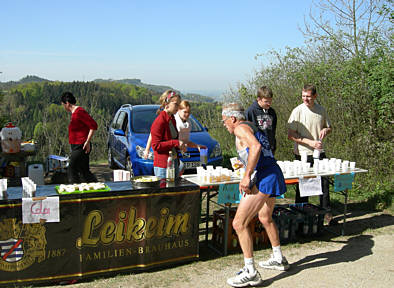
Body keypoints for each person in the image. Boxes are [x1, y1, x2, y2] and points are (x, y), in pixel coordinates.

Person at [222, 103, 288, 288]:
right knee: (265, 217)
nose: (224, 125)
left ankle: (250, 271)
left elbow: (256, 147)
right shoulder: (252, 126)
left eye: (224, 120)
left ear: (233, 118)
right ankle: (278, 258)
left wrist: (246, 175)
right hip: (272, 172)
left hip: (265, 176)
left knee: (238, 223)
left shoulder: (240, 129)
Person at [287, 84, 333, 223]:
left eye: (308, 96)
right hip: (303, 153)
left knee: (324, 183)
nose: (305, 99)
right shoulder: (297, 111)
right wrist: (309, 142)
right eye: (303, 96)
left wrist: (326, 130)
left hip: (319, 151)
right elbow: (290, 135)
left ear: (315, 96)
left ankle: (326, 214)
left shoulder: (321, 110)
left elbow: (329, 126)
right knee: (303, 186)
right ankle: (300, 216)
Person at [144, 100, 206, 174]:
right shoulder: (172, 120)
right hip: (164, 159)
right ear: (178, 110)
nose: (187, 114)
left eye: (189, 112)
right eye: (185, 112)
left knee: (181, 168)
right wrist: (147, 149)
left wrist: (196, 146)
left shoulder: (187, 123)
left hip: (175, 156)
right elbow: (153, 133)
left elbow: (183, 141)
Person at [61, 91, 98, 183]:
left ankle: (74, 190)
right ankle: (93, 187)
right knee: (84, 171)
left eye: (63, 104)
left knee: (71, 169)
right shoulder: (74, 114)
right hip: (76, 145)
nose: (63, 107)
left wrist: (87, 141)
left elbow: (93, 125)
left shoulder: (79, 112)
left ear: (67, 103)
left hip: (81, 146)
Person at [150, 90, 186, 179]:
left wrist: (180, 145)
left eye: (179, 104)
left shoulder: (172, 119)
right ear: (167, 104)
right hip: (163, 166)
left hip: (174, 162)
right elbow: (155, 146)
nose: (178, 107)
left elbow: (172, 140)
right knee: (164, 192)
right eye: (176, 104)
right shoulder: (160, 121)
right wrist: (175, 143)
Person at [245, 86, 277, 154]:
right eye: (266, 101)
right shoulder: (250, 111)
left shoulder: (272, 112)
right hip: (256, 150)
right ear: (258, 99)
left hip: (270, 149)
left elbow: (273, 131)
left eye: (270, 101)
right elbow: (245, 133)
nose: (269, 104)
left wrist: (273, 146)